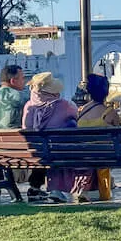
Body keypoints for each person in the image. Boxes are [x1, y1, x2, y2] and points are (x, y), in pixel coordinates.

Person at [22, 71, 78, 202]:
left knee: (44, 148)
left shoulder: (29, 106)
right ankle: (57, 189)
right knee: (61, 145)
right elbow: (76, 116)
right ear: (53, 91)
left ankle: (41, 187)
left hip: (35, 153)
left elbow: (26, 128)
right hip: (59, 151)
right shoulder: (64, 105)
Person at [73, 73, 121, 202]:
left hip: (82, 154)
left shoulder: (81, 111)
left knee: (96, 155)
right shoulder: (109, 112)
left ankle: (89, 190)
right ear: (106, 92)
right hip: (104, 155)